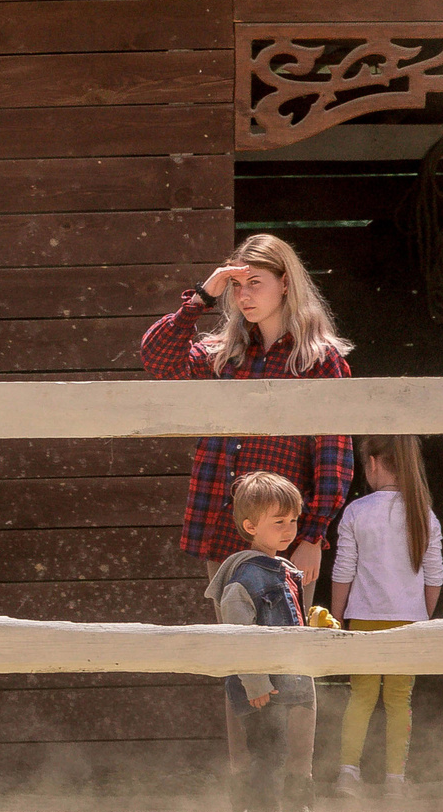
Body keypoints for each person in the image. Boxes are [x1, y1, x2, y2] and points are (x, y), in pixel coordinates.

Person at [140, 234, 355, 588]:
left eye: (255, 283)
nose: (243, 295)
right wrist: (202, 297)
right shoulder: (223, 355)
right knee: (231, 640)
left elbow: (334, 457)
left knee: (288, 640)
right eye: (236, 285)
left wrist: (314, 537)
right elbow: (157, 357)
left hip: (285, 537)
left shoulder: (318, 361)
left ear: (285, 282)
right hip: (224, 527)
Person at [203, 472, 319, 812]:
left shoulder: (284, 571)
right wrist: (253, 680)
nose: (289, 530)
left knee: (269, 748)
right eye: (278, 522)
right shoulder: (246, 576)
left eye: (293, 521)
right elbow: (240, 636)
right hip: (258, 682)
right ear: (250, 525)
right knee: (268, 750)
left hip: (278, 679)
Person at [331, 435, 443, 792]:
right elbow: (435, 574)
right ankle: (396, 779)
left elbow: (343, 570)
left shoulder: (357, 511)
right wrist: (421, 615)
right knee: (399, 701)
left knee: (361, 696)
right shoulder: (424, 513)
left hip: (363, 619)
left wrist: (338, 619)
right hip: (410, 622)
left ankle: (348, 774)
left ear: (374, 463)